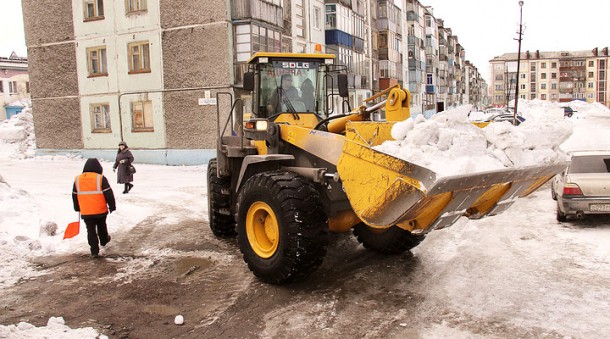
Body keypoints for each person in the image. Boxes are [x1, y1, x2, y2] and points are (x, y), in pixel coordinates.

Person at [72, 158, 116, 258]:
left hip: (86, 211)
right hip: (100, 210)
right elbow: (108, 193)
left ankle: (94, 251)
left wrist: (77, 207)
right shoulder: (100, 178)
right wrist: (112, 206)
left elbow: (74, 195)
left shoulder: (77, 179)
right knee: (101, 226)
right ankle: (104, 241)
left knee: (90, 230)